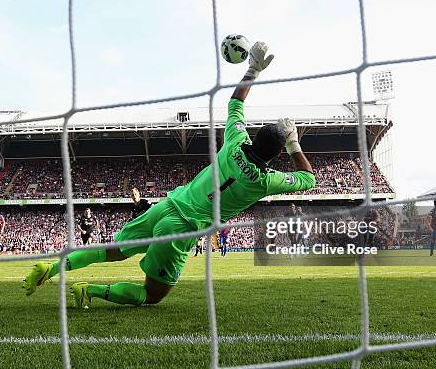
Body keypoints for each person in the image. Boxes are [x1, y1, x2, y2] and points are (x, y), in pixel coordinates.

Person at [23, 41, 316, 308]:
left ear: (253, 136)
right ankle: (90, 290)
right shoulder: (266, 181)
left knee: (110, 250)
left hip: (167, 206)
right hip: (182, 228)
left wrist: (252, 69)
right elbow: (308, 179)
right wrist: (294, 143)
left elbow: (235, 103)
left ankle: (50, 268)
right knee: (150, 296)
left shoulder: (235, 141)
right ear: (275, 156)